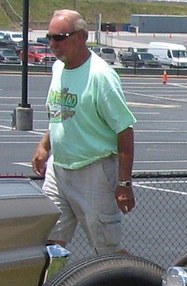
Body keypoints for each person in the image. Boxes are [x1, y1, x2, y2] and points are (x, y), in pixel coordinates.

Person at [31, 9, 136, 255]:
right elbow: (59, 113)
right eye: (49, 37)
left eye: (59, 37)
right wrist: (44, 147)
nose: (52, 44)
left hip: (93, 172)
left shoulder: (101, 76)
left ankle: (126, 285)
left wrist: (123, 183)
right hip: (59, 171)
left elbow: (124, 130)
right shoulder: (59, 68)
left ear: (81, 37)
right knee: (47, 245)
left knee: (105, 249)